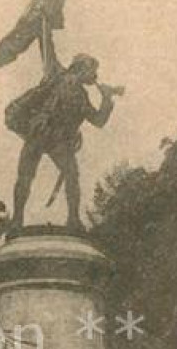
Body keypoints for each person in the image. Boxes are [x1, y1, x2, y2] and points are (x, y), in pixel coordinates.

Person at [6, 53, 117, 233]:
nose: (94, 77)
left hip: (49, 138)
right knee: (48, 175)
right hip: (45, 135)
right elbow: (97, 120)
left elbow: (97, 121)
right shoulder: (66, 84)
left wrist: (106, 99)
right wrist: (106, 99)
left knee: (40, 176)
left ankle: (20, 221)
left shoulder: (76, 90)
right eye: (92, 71)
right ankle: (66, 219)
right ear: (82, 68)